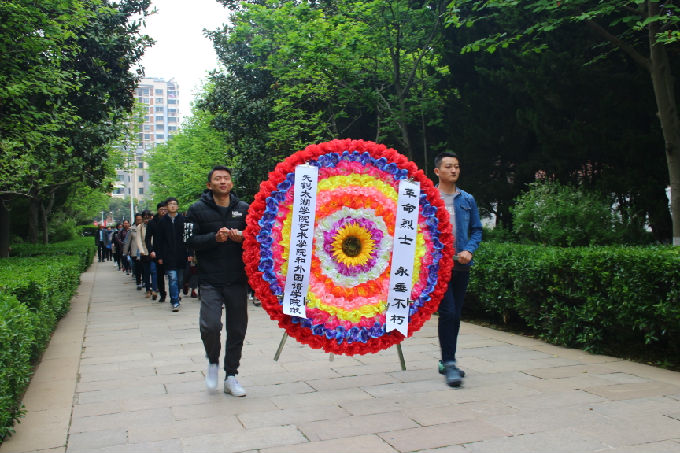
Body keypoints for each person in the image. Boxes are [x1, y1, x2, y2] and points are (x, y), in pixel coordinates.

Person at [185, 166, 249, 397]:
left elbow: (258, 236)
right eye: (218, 179)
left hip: (237, 278)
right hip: (210, 278)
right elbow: (188, 240)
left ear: (231, 183)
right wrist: (214, 238)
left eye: (226, 178)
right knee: (210, 325)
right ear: (209, 184)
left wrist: (243, 237)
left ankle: (231, 376)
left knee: (237, 329)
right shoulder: (196, 210)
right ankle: (213, 361)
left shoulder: (244, 208)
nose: (223, 182)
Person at [433, 151, 483, 387]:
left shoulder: (467, 199)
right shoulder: (428, 198)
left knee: (455, 315)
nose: (454, 170)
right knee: (448, 312)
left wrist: (469, 250)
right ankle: (450, 363)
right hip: (437, 268)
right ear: (437, 171)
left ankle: (447, 359)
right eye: (449, 166)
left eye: (457, 166)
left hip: (461, 266)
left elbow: (477, 230)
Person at [156, 198, 190, 312]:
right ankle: (175, 301)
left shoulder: (183, 220)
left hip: (181, 254)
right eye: (170, 204)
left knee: (180, 280)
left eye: (174, 204)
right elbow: (158, 241)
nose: (172, 206)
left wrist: (190, 252)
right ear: (166, 207)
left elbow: (188, 237)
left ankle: (176, 294)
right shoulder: (162, 221)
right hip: (168, 255)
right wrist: (159, 256)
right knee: (172, 278)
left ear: (177, 207)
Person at [146, 201, 168, 301]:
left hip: (170, 250)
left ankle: (175, 294)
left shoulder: (170, 220)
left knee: (173, 274)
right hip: (158, 251)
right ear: (157, 210)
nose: (163, 211)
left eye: (165, 210)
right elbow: (147, 238)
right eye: (161, 210)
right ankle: (162, 293)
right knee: (159, 274)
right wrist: (151, 250)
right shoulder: (152, 222)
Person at [123, 213, 145, 290]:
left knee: (144, 268)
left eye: (140, 219)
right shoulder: (131, 229)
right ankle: (138, 282)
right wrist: (125, 252)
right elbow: (127, 242)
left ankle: (144, 281)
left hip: (144, 251)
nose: (139, 221)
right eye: (137, 219)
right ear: (135, 220)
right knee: (137, 268)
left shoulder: (145, 228)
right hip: (135, 252)